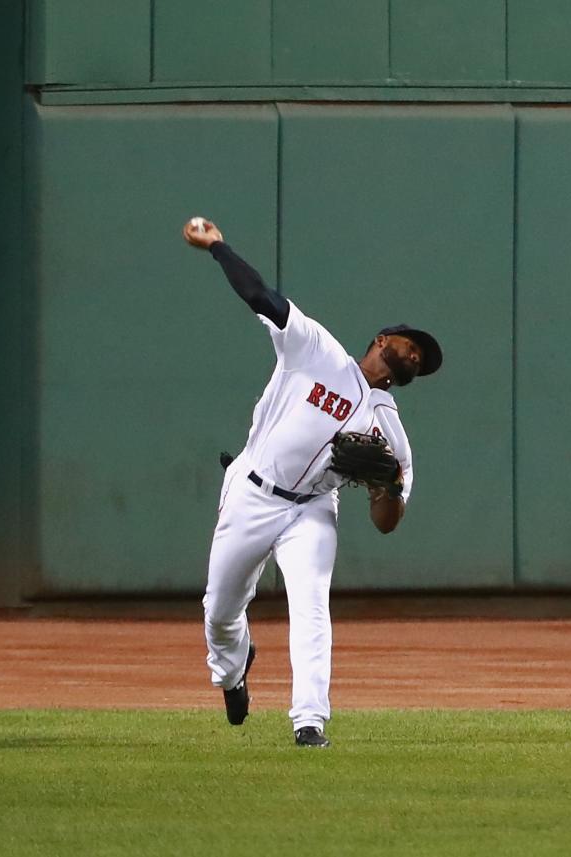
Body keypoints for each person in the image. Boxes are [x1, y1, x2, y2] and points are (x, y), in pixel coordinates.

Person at [182, 217, 442, 748]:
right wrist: (217, 247)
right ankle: (234, 671)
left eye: (422, 359)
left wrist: (384, 487)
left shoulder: (389, 426)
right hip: (252, 491)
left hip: (313, 510)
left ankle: (309, 722)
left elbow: (388, 522)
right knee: (220, 612)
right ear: (382, 339)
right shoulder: (316, 350)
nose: (416, 354)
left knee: (311, 603)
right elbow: (259, 295)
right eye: (412, 344)